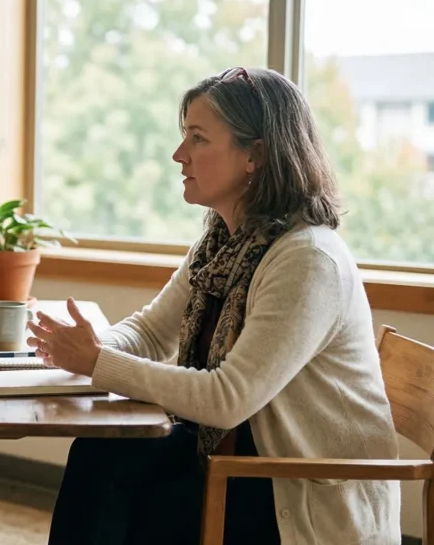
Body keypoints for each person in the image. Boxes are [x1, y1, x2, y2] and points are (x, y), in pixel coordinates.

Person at [33, 67, 400, 544]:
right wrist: (77, 348)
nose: (178, 155)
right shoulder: (223, 244)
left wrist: (97, 362)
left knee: (147, 512)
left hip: (295, 492)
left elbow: (227, 399)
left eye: (198, 139)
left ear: (256, 154)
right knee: (99, 455)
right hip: (235, 459)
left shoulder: (307, 259)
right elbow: (150, 332)